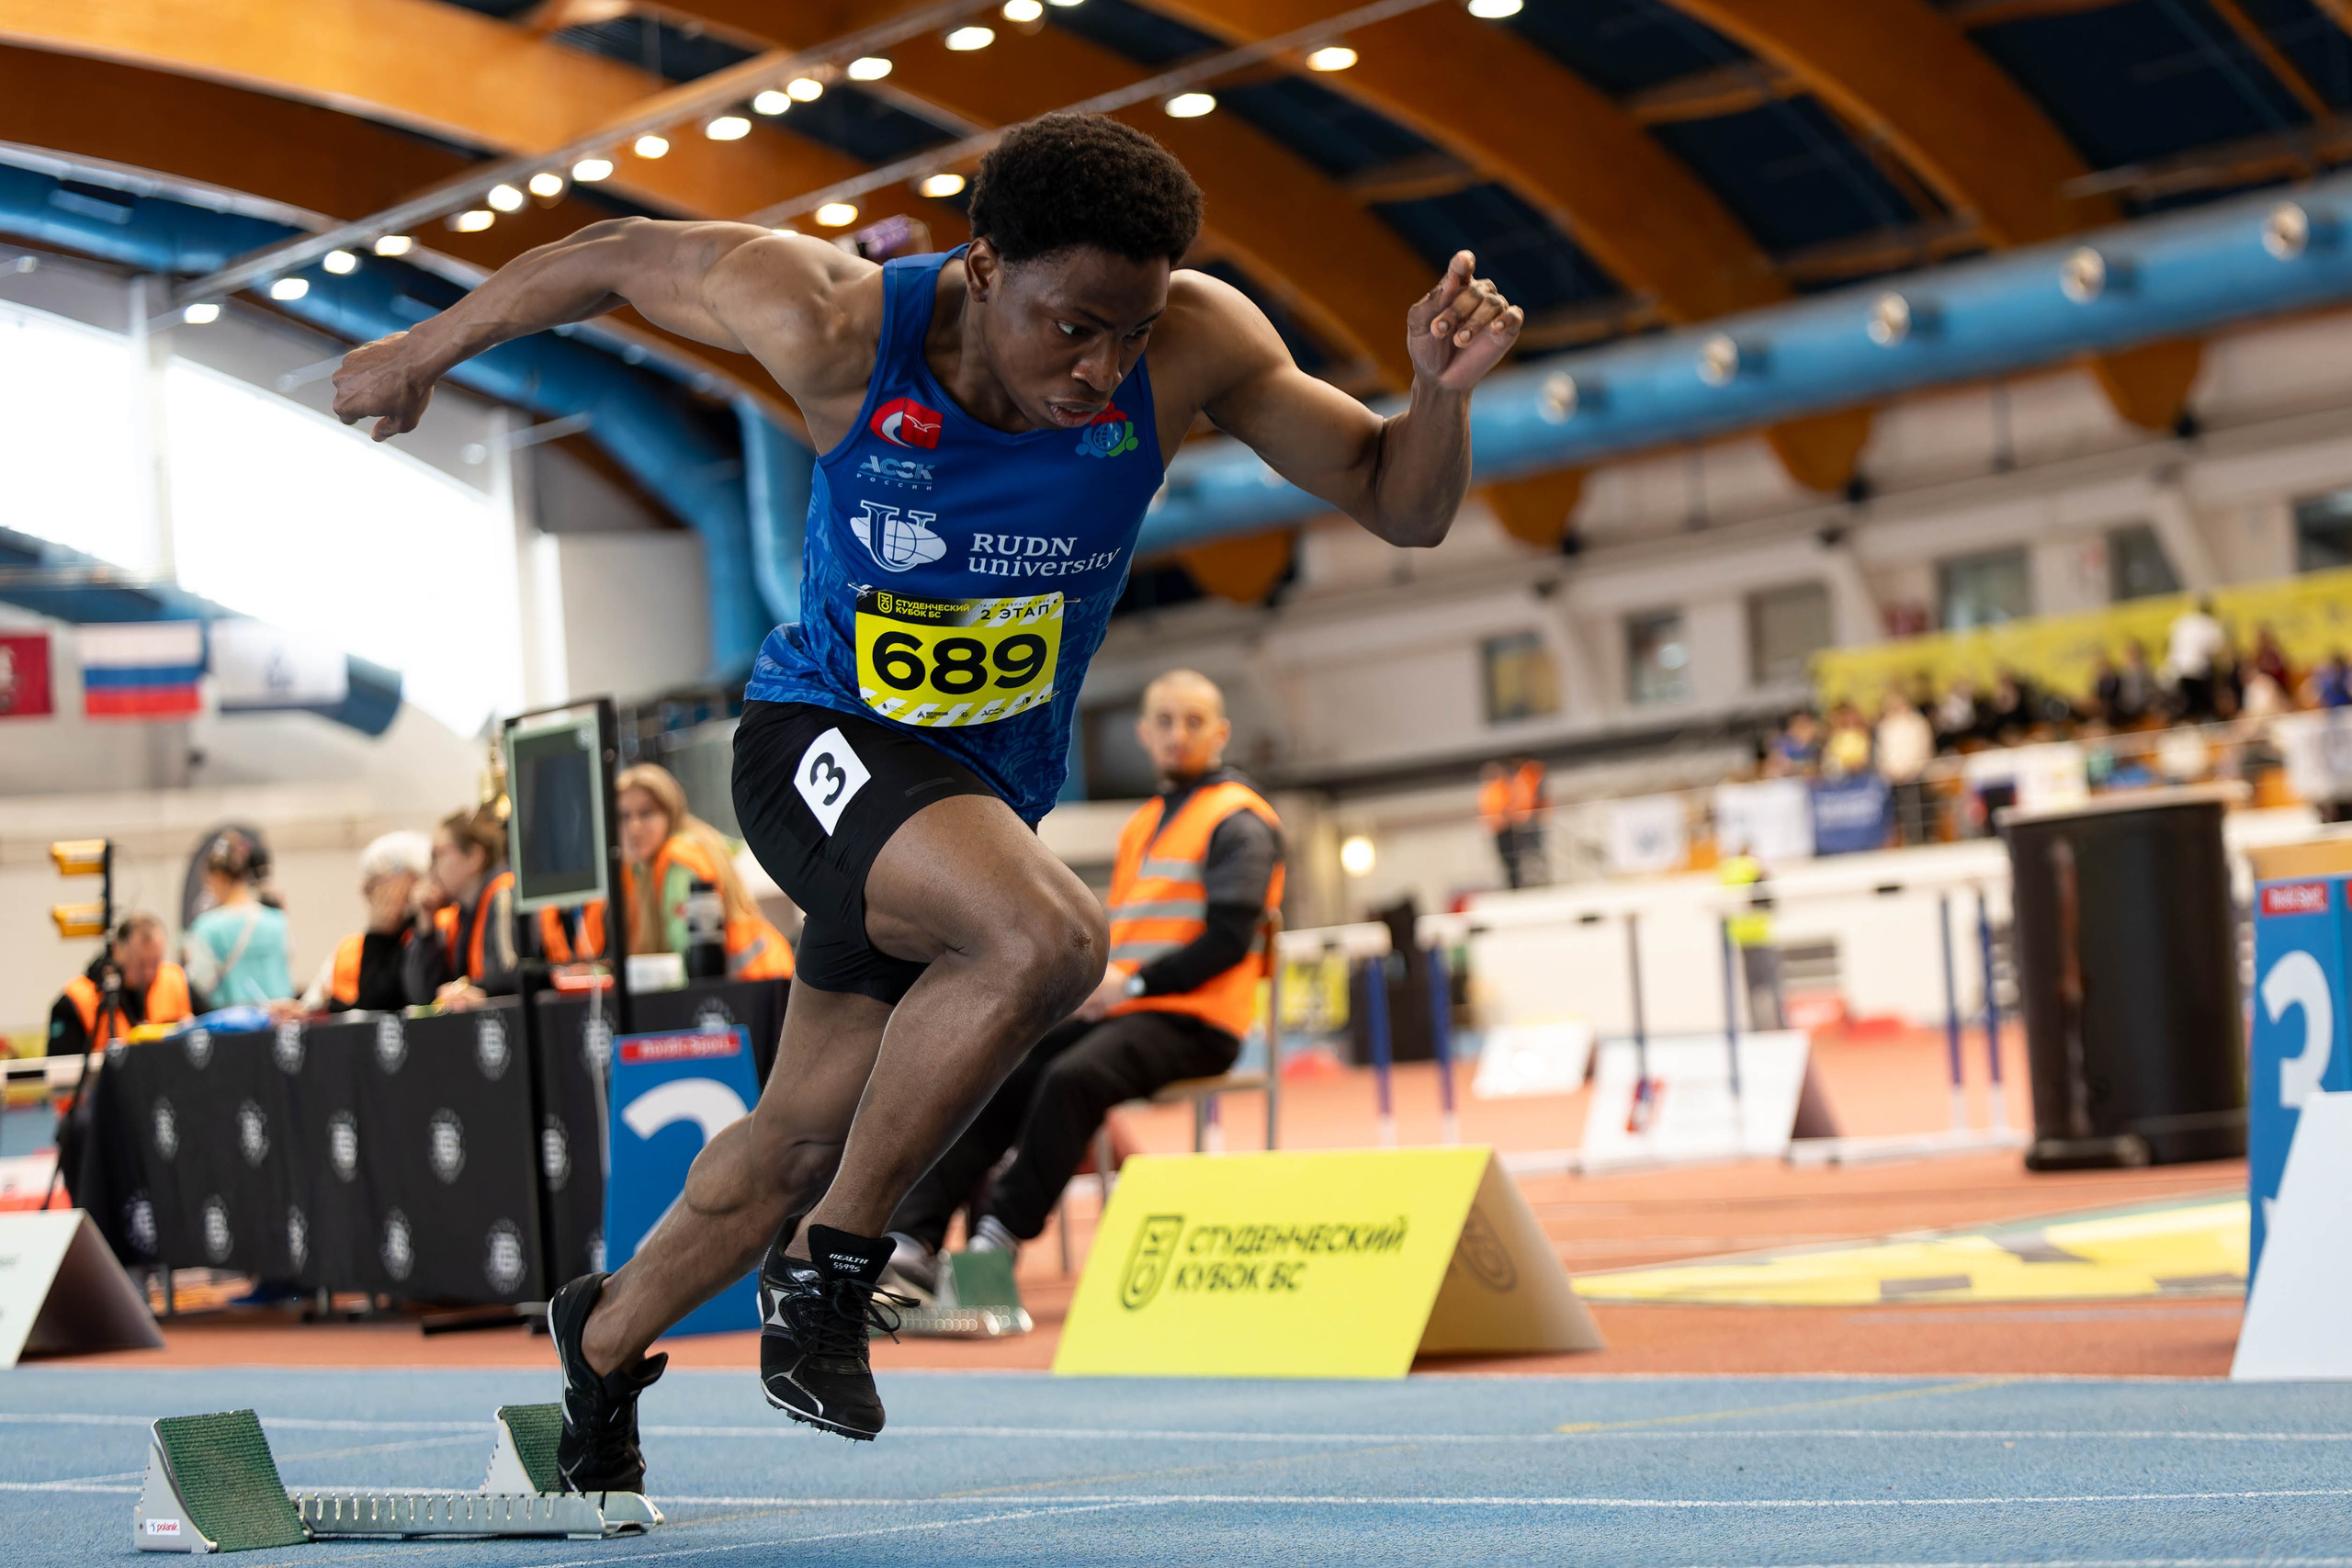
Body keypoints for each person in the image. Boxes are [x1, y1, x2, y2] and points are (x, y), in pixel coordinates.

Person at [331, 111, 1521, 1477]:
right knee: (1050, 937)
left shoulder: (1199, 337)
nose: (1105, 368)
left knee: (792, 1132)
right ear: (981, 266)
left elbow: (1398, 499)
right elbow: (609, 253)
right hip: (815, 743)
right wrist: (423, 351)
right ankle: (835, 1269)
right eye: (1073, 325)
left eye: (1129, 333)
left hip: (960, 803)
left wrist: (1440, 391)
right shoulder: (834, 320)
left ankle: (599, 1348)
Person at [880, 670, 1282, 1290]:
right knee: (1001, 1066)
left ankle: (996, 1240)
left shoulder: (1240, 821)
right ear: (1145, 733)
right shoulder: (1141, 824)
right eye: (1166, 722)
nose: (1179, 734)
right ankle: (913, 1238)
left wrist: (1136, 987)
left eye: (1194, 721)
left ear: (1221, 732)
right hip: (1127, 1013)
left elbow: (1230, 940)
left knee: (1074, 1078)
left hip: (1200, 1022)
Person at [541, 763, 794, 982]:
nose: (634, 827)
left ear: (670, 813)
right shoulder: (643, 868)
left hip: (757, 986)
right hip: (753, 986)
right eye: (623, 816)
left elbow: (684, 963)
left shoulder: (680, 859)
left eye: (646, 813)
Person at [298, 830, 431, 1013]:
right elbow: (368, 1006)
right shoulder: (351, 947)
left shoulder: (436, 930)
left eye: (377, 878)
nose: (365, 889)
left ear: (412, 878)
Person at [402, 806, 520, 1009]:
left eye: (438, 854)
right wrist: (425, 926)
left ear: (474, 857)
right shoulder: (458, 916)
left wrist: (465, 990)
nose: (432, 867)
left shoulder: (504, 895)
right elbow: (423, 996)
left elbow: (509, 974)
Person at [49, 912, 191, 1054]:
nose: (149, 973)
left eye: (154, 963)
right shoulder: (76, 1001)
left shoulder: (174, 980)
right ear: (117, 951)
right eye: (140, 964)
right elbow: (60, 1070)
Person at [180, 829, 292, 1008]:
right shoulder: (277, 920)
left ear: (219, 878)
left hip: (235, 1029)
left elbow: (200, 983)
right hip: (280, 1023)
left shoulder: (207, 928)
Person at [1874, 684, 1936, 845]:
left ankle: (1918, 839)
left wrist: (1912, 769)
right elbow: (1882, 750)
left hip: (1913, 774)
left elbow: (1923, 747)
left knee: (1915, 811)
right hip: (1893, 776)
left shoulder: (1916, 722)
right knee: (1896, 812)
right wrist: (1888, 769)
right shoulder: (1885, 725)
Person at [2168, 595, 2227, 722]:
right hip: (2198, 672)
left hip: (2179, 670)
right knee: (2201, 707)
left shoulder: (2183, 621)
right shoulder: (2210, 624)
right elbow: (2218, 650)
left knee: (2187, 707)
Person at [1476, 761, 1521, 888]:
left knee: (1511, 857)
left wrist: (1505, 818)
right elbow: (1486, 809)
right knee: (1503, 858)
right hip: (1497, 828)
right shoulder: (1488, 790)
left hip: (1506, 828)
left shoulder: (1503, 787)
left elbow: (1509, 805)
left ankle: (1515, 884)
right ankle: (1510, 884)